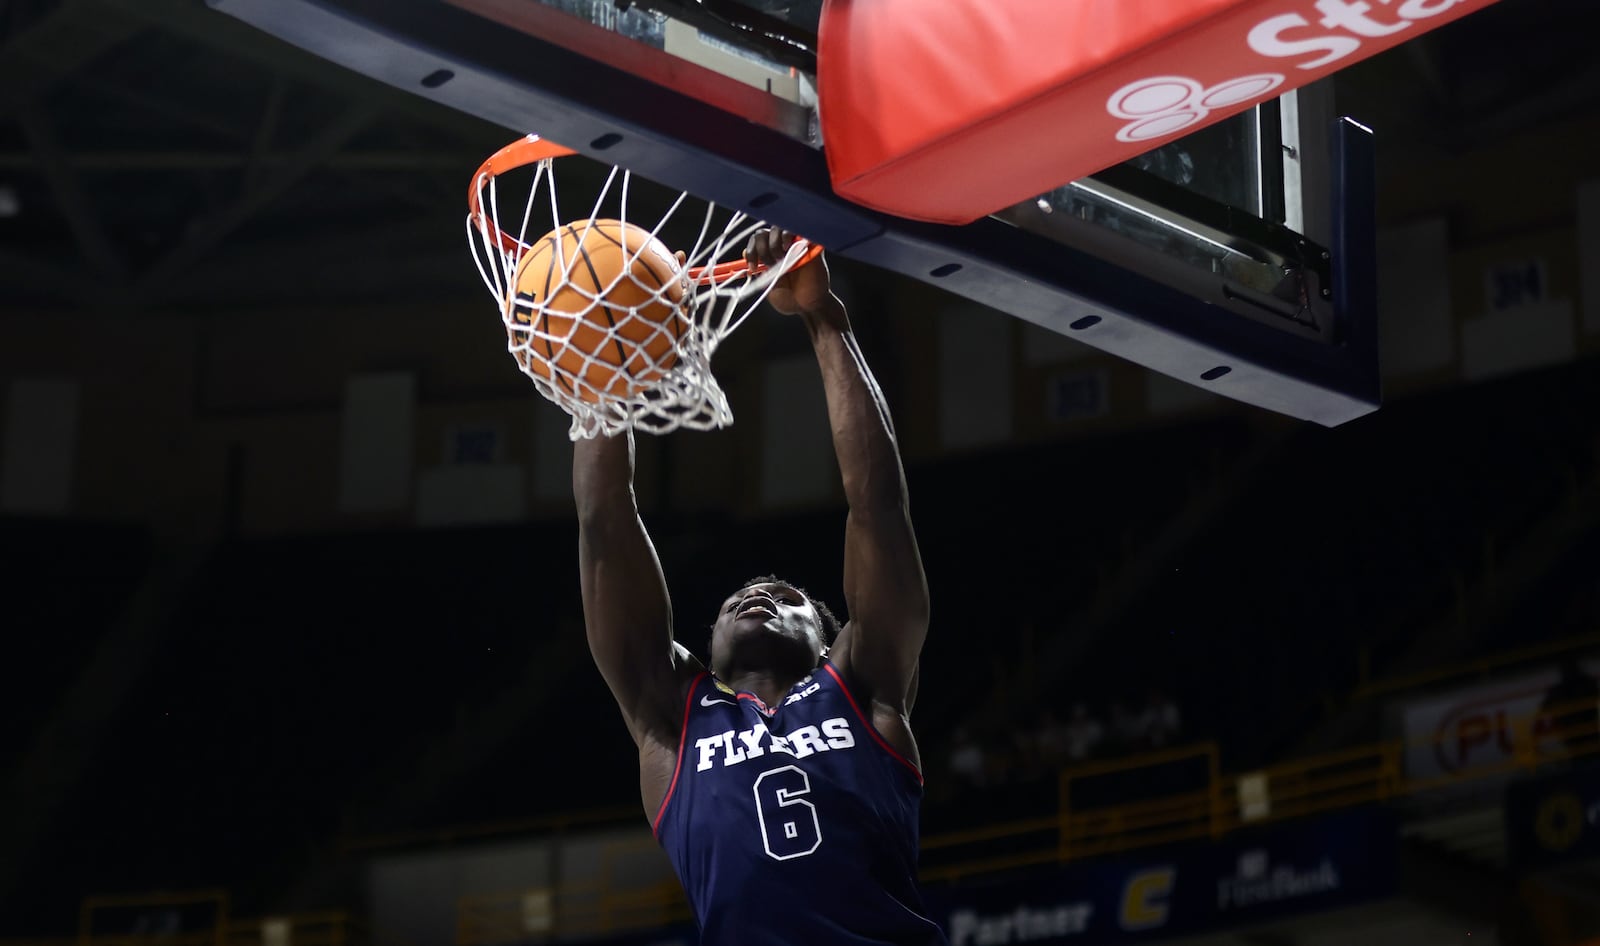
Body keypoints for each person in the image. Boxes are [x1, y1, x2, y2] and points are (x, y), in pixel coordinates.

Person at [572, 227, 948, 945]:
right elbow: (604, 524)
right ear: (704, 644)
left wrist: (822, 314)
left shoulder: (863, 687)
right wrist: (601, 372)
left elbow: (876, 505)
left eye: (786, 595)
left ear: (829, 635)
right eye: (737, 599)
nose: (757, 595)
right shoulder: (671, 718)